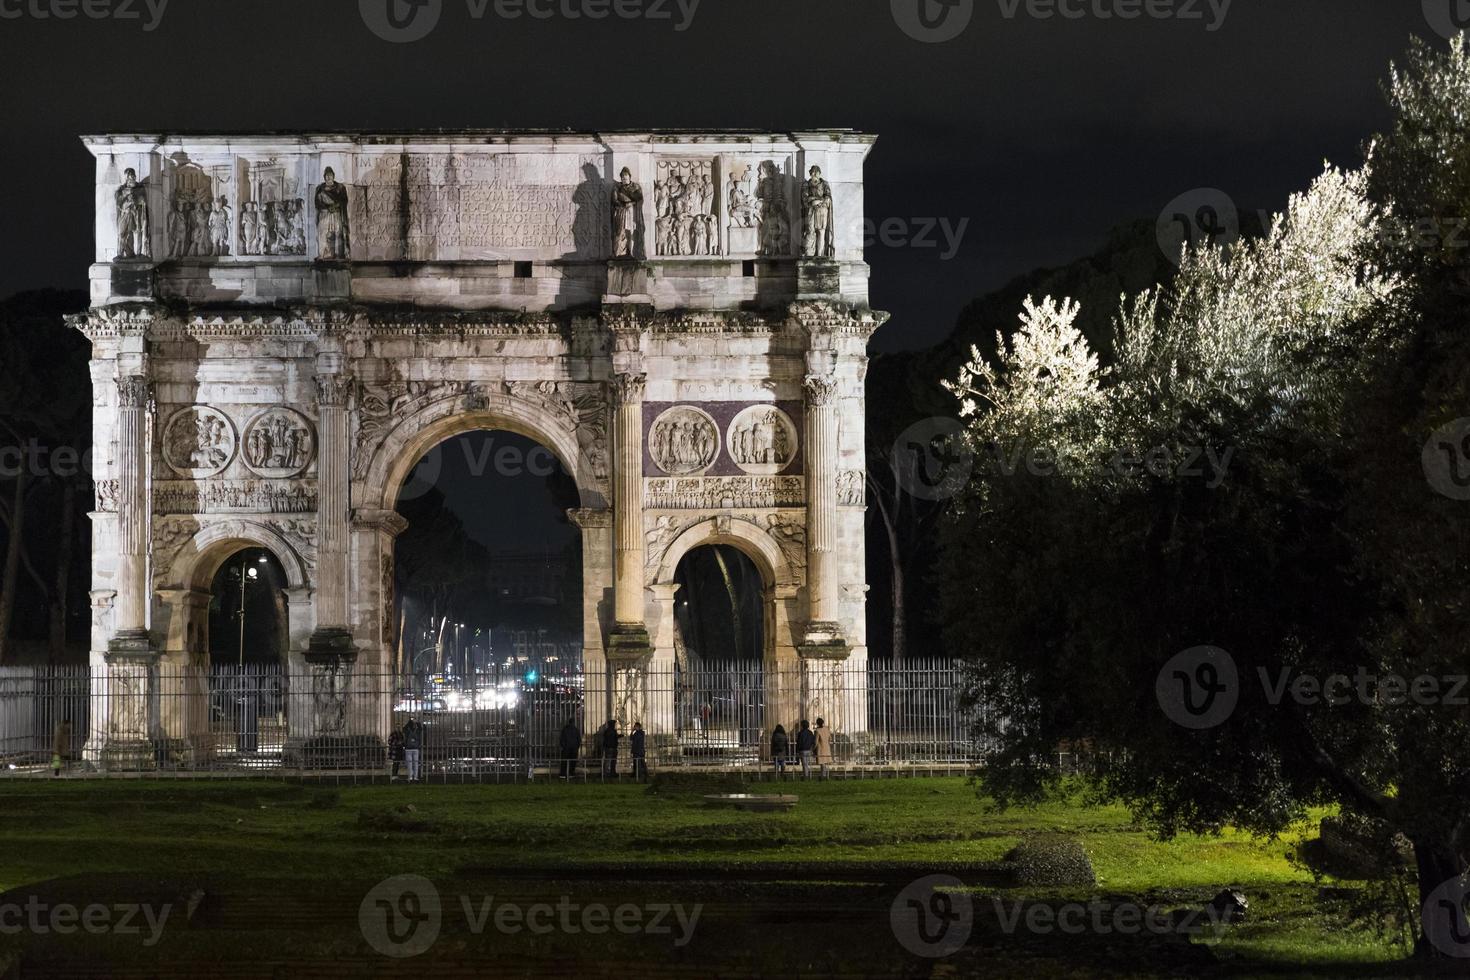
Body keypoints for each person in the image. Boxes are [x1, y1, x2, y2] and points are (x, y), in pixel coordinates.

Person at [402, 717, 423, 783]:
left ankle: (411, 777)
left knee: (410, 763)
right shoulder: (417, 731)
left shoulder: (408, 731)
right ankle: (415, 777)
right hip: (415, 748)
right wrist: (416, 722)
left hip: (409, 748)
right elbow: (421, 728)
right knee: (415, 763)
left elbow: (404, 728)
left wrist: (410, 721)